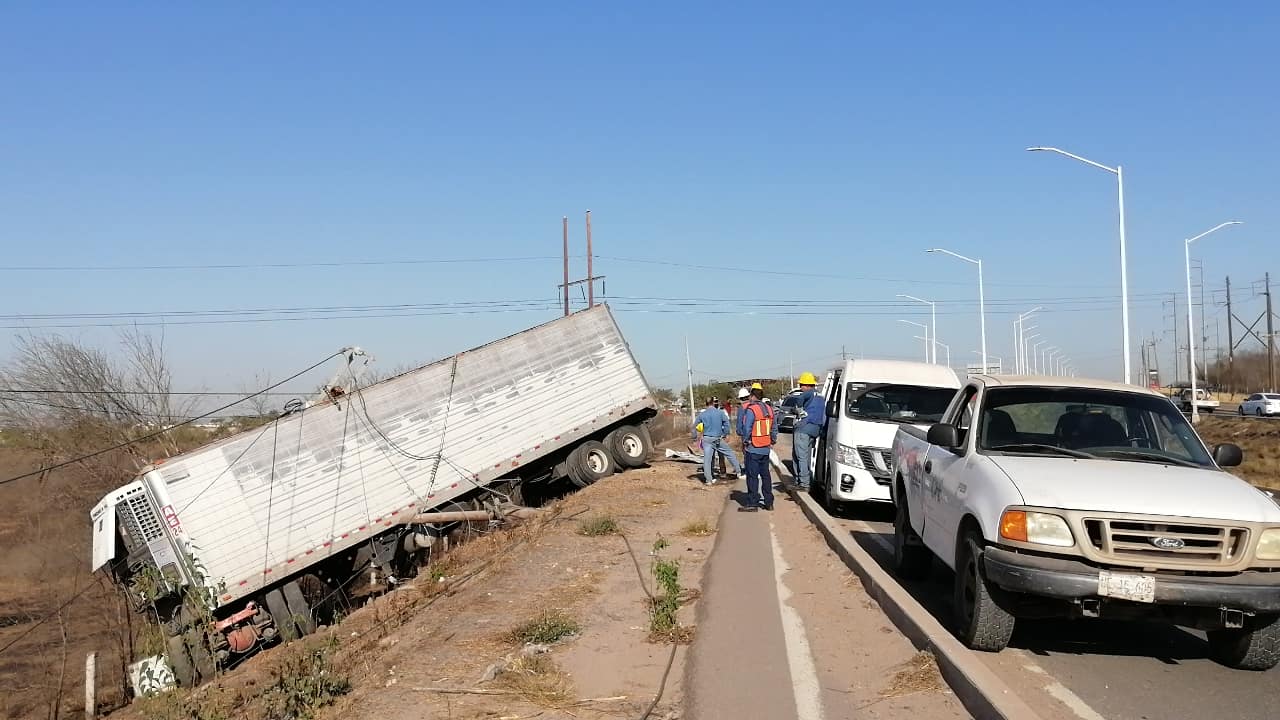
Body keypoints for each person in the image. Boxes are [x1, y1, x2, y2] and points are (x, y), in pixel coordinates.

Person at [737, 383, 778, 511]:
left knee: (752, 476)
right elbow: (774, 428)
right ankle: (769, 502)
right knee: (765, 475)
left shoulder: (752, 410)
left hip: (753, 448)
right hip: (765, 448)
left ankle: (752, 503)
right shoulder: (769, 409)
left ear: (752, 395)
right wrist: (772, 441)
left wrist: (745, 442)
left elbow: (747, 428)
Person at [695, 397, 740, 485]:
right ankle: (738, 472)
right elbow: (726, 423)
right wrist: (725, 433)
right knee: (729, 453)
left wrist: (694, 437)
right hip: (717, 438)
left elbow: (695, 426)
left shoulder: (702, 414)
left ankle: (709, 480)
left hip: (707, 439)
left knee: (707, 460)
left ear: (706, 404)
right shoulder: (720, 413)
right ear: (713, 403)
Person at [791, 372, 825, 490]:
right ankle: (805, 480)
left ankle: (803, 483)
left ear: (806, 385)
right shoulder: (820, 396)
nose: (801, 387)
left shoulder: (808, 393)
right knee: (806, 456)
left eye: (801, 385)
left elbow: (800, 399)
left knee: (800, 456)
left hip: (804, 428)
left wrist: (799, 410)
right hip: (815, 429)